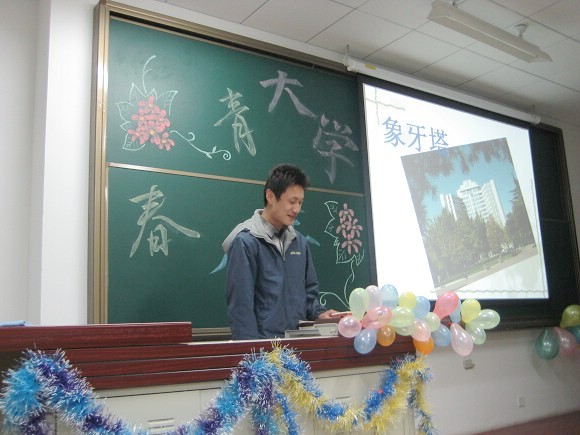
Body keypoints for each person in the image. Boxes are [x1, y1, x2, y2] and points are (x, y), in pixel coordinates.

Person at [223, 164, 337, 339]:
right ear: (270, 196)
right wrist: (253, 352)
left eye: (300, 203)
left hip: (298, 345)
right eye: (292, 201)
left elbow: (309, 294)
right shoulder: (246, 242)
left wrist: (319, 313)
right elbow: (241, 308)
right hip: (264, 349)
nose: (296, 209)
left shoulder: (299, 242)